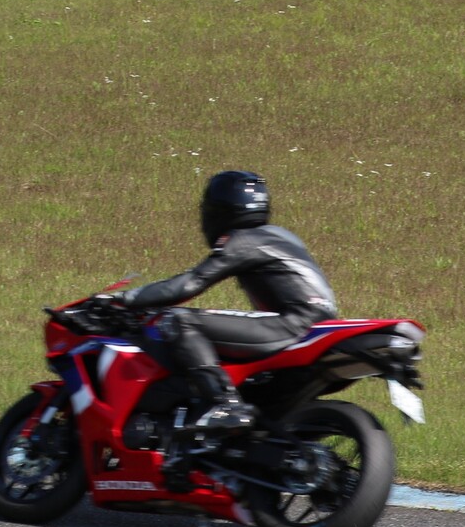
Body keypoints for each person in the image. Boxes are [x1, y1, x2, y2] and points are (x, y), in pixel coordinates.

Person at [105, 170, 338, 433]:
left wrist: (124, 299)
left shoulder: (244, 240)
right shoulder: (281, 236)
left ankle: (224, 404)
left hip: (293, 324)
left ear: (219, 210)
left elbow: (190, 283)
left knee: (178, 320)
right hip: (318, 326)